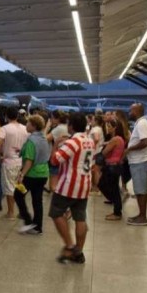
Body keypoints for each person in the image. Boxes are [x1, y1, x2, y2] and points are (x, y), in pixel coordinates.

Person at [49, 112, 94, 263]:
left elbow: (55, 160)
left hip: (68, 185)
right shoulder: (89, 140)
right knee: (80, 217)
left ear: (71, 126)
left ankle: (69, 246)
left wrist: (56, 144)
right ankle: (79, 252)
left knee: (56, 212)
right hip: (85, 184)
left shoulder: (72, 142)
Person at [14, 114, 50, 234]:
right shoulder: (43, 138)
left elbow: (29, 160)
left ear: (33, 126)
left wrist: (22, 174)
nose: (26, 125)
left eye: (28, 123)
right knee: (37, 200)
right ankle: (37, 226)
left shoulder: (31, 140)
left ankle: (28, 222)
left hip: (32, 174)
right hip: (43, 173)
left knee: (18, 195)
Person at [0, 107, 29, 220]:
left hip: (8, 161)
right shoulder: (25, 129)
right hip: (22, 162)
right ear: (18, 116)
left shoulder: (4, 129)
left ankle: (11, 213)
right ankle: (21, 211)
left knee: (9, 187)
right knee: (19, 186)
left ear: (6, 116)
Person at [126, 103, 147, 226]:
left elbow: (145, 142)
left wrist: (129, 149)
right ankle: (141, 214)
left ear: (136, 111)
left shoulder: (142, 124)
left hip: (140, 161)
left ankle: (143, 217)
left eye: (131, 110)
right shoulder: (141, 123)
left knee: (141, 190)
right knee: (139, 190)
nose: (129, 112)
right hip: (138, 161)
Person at [101, 120, 126, 221]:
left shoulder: (115, 139)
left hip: (111, 166)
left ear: (115, 127)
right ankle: (116, 209)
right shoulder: (120, 139)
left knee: (106, 186)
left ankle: (117, 209)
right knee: (114, 188)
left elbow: (104, 152)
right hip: (115, 166)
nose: (108, 128)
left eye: (110, 126)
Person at [46, 110, 70, 193]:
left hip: (57, 155)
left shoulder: (58, 128)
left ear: (57, 119)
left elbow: (45, 139)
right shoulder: (67, 127)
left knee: (54, 182)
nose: (51, 120)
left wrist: (47, 127)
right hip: (65, 154)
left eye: (52, 118)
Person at [89, 115, 105, 195]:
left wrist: (93, 147)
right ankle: (95, 187)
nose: (91, 121)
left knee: (95, 171)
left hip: (95, 152)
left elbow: (96, 139)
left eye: (92, 120)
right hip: (98, 151)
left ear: (96, 121)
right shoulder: (100, 129)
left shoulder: (95, 129)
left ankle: (96, 188)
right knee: (95, 170)